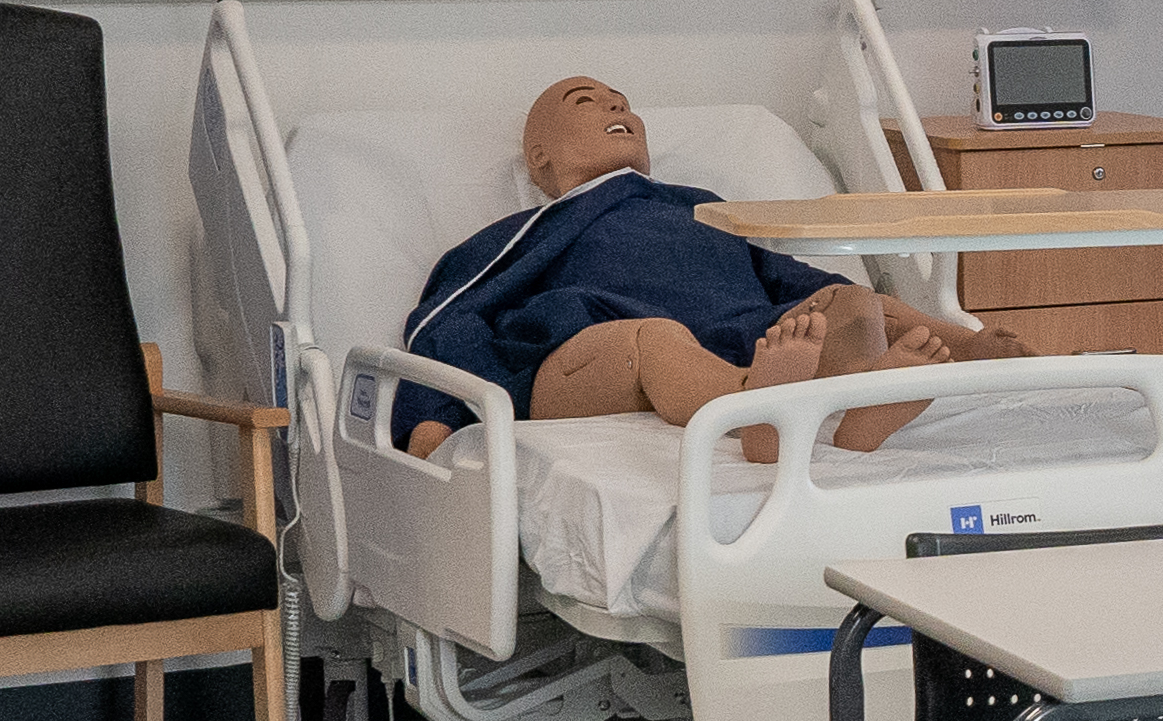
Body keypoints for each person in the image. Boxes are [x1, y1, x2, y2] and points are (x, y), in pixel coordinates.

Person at [394, 74, 1037, 459]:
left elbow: (792, 279)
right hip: (589, 359)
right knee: (655, 340)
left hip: (743, 341)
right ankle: (756, 406)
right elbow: (444, 319)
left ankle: (898, 389)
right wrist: (435, 415)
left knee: (849, 303)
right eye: (586, 102)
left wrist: (950, 337)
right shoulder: (526, 231)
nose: (617, 109)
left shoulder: (701, 207)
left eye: (623, 102)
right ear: (540, 158)